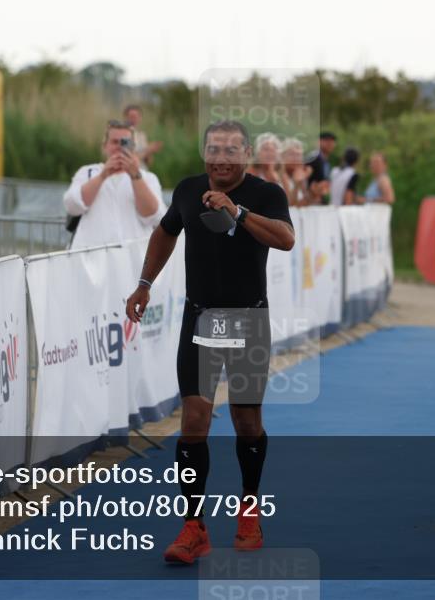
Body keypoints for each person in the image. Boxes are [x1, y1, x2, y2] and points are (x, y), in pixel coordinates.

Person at [125, 120, 295, 565]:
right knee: (194, 419)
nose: (221, 158)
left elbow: (286, 240)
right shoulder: (188, 190)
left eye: (230, 150)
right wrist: (144, 283)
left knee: (246, 421)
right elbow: (166, 231)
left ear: (246, 154)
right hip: (200, 317)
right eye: (213, 149)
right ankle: (194, 526)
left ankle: (249, 512)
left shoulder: (267, 194)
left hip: (248, 320)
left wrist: (238, 213)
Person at [63, 120, 164, 249]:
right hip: (92, 257)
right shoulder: (87, 172)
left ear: (133, 147)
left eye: (125, 143)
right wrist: (103, 176)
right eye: (115, 142)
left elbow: (155, 217)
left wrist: (135, 176)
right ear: (104, 146)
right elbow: (72, 206)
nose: (119, 147)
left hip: (133, 256)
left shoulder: (148, 178)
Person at [123, 104, 163, 169]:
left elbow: (149, 162)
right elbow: (129, 158)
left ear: (140, 118)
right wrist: (148, 150)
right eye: (131, 117)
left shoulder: (142, 135)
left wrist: (151, 151)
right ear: (125, 118)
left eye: (136, 117)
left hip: (143, 171)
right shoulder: (124, 135)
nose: (134, 120)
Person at [304, 131, 336, 204]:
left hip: (319, 199)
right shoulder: (313, 158)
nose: (330, 144)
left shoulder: (325, 161)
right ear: (319, 142)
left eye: (332, 142)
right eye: (326, 141)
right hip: (310, 200)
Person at [278, 137, 311, 207]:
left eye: (298, 155)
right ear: (282, 156)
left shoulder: (298, 173)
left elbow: (304, 203)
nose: (296, 158)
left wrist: (314, 193)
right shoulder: (278, 175)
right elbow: (289, 205)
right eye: (292, 154)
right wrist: (297, 184)